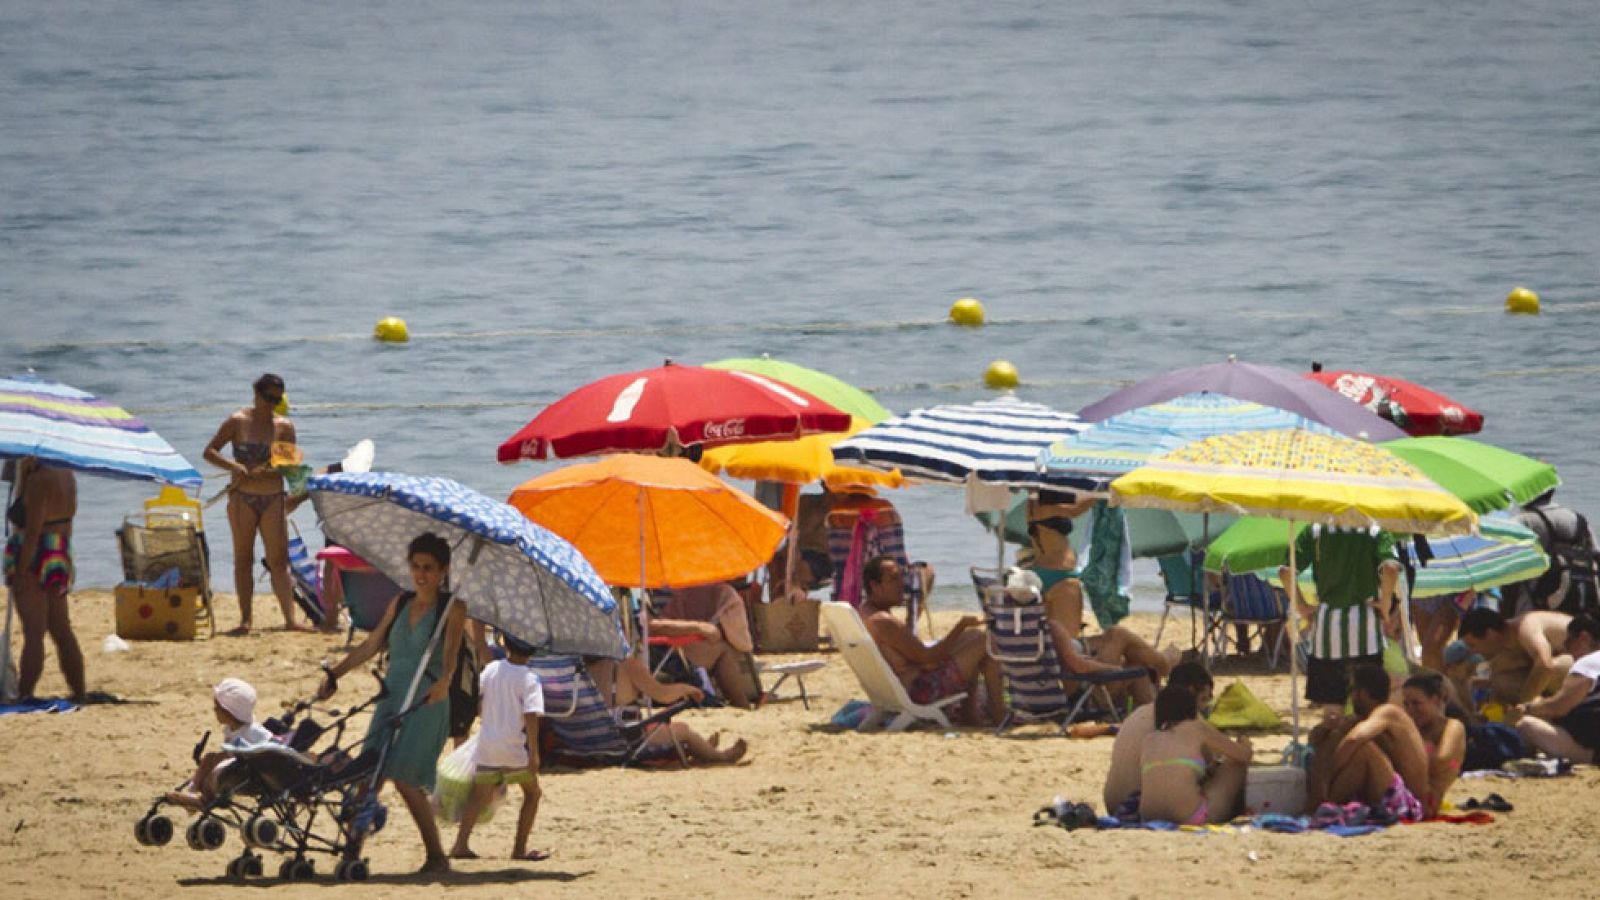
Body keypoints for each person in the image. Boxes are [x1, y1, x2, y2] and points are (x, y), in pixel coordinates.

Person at [317, 532, 467, 874]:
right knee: (368, 773)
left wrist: (444, 682)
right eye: (415, 566)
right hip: (392, 694)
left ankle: (436, 856)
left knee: (405, 779)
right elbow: (371, 645)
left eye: (428, 568)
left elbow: (452, 655)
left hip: (428, 699)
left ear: (443, 570)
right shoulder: (399, 603)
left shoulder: (453, 608)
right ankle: (352, 851)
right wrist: (335, 674)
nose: (421, 574)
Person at [1026, 513, 1172, 706]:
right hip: (1082, 691)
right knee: (1117, 634)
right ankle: (1166, 663)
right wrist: (1114, 670)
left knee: (1137, 667)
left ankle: (1150, 716)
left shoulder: (1022, 628)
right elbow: (1076, 664)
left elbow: (1069, 656)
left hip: (1066, 679)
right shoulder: (1053, 625)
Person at [203, 373, 311, 634]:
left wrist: (271, 471)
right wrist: (235, 466)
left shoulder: (284, 427)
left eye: (277, 399)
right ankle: (245, 620)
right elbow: (210, 451)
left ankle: (290, 619)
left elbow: (289, 468)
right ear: (256, 394)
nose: (272, 404)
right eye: (268, 398)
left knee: (278, 561)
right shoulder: (238, 421)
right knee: (243, 558)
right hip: (242, 498)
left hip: (273, 498)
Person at [859, 554, 1004, 726]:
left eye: (901, 577)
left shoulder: (866, 612)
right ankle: (997, 714)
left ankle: (970, 713)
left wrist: (917, 607)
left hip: (904, 685)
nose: (901, 584)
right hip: (921, 691)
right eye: (893, 579)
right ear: (875, 586)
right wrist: (959, 626)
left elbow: (909, 647)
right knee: (988, 642)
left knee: (974, 635)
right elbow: (928, 658)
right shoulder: (882, 621)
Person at [1279, 525, 1400, 714]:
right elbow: (1391, 568)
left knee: (1332, 708)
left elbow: (1286, 572)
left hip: (1326, 627)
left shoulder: (1316, 530)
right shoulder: (1375, 530)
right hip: (1364, 627)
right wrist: (1386, 603)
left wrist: (1301, 606)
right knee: (1369, 705)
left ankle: (1336, 741)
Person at [450, 632, 548, 862]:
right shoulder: (530, 678)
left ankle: (460, 844)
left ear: (506, 646)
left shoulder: (492, 669)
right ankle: (519, 848)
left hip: (487, 744)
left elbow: (478, 698)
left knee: (478, 796)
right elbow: (531, 715)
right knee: (532, 794)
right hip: (512, 747)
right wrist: (534, 752)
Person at [3, 456, 84, 701]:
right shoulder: (66, 474)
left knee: (33, 630)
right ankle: (78, 690)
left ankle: (25, 692)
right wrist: (22, 475)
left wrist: (21, 571)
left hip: (36, 551)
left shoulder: (39, 481)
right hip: (58, 550)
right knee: (61, 629)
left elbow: (33, 532)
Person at [1308, 665, 1430, 823]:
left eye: (1352, 690)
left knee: (1363, 749)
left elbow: (1354, 739)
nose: (1350, 696)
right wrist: (1326, 729)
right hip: (1391, 795)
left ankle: (1325, 803)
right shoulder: (1368, 718)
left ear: (1362, 693)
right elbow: (1316, 740)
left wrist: (1328, 776)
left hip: (1408, 803)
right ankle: (1320, 802)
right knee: (1336, 738)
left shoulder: (1388, 712)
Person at [580, 654, 749, 764]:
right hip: (623, 738)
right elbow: (662, 694)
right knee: (683, 730)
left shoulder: (576, 667)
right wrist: (686, 688)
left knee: (660, 721)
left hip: (584, 737)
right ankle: (719, 757)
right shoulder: (624, 664)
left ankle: (702, 746)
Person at [1104, 662, 1220, 814]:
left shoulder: (1139, 712)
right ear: (1191, 691)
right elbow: (1213, 762)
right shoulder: (1185, 717)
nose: (1204, 708)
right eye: (1203, 699)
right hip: (1141, 803)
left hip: (1112, 802)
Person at [1137, 685, 1253, 825]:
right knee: (1236, 765)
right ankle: (1239, 811)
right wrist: (1245, 742)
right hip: (1190, 817)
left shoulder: (1149, 739)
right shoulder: (1196, 728)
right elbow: (1243, 755)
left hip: (1149, 816)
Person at [165, 677, 274, 810]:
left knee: (219, 767)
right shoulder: (230, 729)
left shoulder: (253, 731)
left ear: (229, 712)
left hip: (248, 771)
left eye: (217, 708)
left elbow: (271, 746)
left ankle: (205, 798)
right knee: (209, 758)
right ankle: (192, 791)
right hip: (236, 765)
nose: (214, 710)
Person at [648, 581, 758, 709]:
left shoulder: (651, 587)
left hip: (666, 647)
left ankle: (738, 703)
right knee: (723, 651)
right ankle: (741, 705)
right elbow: (650, 626)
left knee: (721, 644)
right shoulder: (642, 589)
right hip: (656, 653)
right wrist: (698, 627)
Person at [1511, 613, 1600, 763]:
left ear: (1583, 638)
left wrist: (1527, 708)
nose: (1567, 650)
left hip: (1593, 753)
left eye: (1568, 642)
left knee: (1525, 725)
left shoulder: (1588, 663)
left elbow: (1558, 707)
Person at [1505, 490, 1599, 616]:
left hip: (1533, 605)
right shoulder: (1578, 519)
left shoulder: (1522, 521)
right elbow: (1596, 555)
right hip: (1580, 602)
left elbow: (1504, 563)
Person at [1457, 607, 1573, 704]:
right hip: (1562, 669)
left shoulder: (1525, 628)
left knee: (1555, 667)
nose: (1474, 652)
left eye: (1473, 645)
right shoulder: (1507, 642)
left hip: (1582, 665)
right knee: (1501, 678)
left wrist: (1523, 704)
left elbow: (1545, 665)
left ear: (1490, 634)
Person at [1399, 672, 1467, 818]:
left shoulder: (1452, 726)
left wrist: (1417, 747)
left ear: (1435, 700)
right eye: (1406, 704)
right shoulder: (1414, 728)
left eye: (1416, 703)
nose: (1410, 710)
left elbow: (1444, 760)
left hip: (1427, 802)